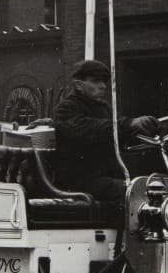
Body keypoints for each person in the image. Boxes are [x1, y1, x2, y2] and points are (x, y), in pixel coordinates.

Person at [52, 59, 158, 203]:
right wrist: (129, 124)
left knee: (156, 187)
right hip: (79, 181)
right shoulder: (67, 109)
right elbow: (92, 128)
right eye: (96, 81)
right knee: (137, 193)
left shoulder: (104, 108)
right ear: (78, 85)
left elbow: (118, 132)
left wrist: (153, 130)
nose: (103, 86)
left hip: (104, 178)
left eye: (103, 82)